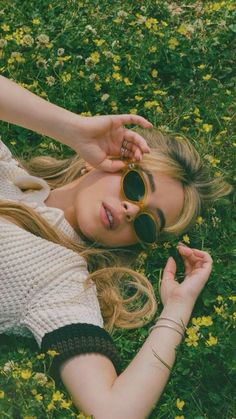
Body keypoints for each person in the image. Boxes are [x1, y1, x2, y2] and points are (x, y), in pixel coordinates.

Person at [0, 75, 232, 419]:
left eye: (146, 223)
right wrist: (71, 128)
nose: (130, 210)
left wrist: (178, 308)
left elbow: (114, 411)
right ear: (102, 159)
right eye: (135, 186)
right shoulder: (7, 168)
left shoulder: (61, 279)